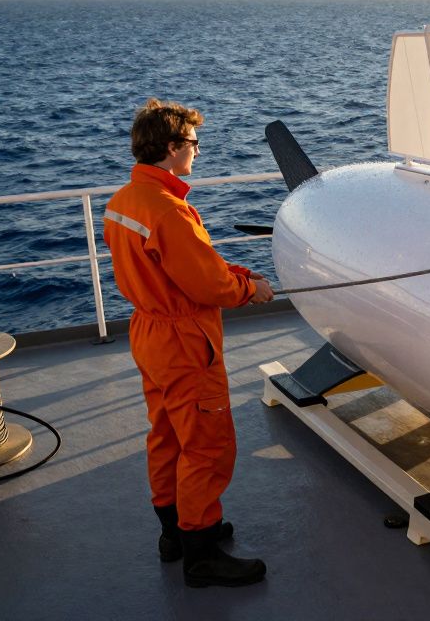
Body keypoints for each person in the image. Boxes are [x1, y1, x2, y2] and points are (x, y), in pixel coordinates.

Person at [104, 98, 274, 588]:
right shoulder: (169, 211)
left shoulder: (123, 201)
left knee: (166, 434)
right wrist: (250, 288)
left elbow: (181, 269)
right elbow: (208, 286)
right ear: (174, 147)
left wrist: (234, 274)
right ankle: (201, 552)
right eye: (194, 144)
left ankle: (173, 535)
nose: (198, 152)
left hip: (149, 331)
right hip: (183, 339)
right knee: (205, 442)